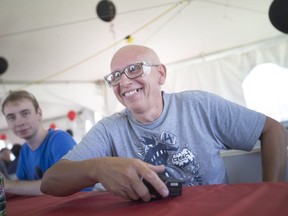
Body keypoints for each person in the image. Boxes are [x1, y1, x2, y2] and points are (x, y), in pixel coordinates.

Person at [41, 45, 287, 202]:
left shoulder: (200, 105)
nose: (124, 82)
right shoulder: (109, 129)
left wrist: (269, 192)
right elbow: (50, 182)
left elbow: (271, 129)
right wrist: (97, 167)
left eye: (134, 69)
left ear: (160, 74)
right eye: (115, 76)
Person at [1, 90, 77, 196]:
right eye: (11, 117)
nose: (19, 123)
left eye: (25, 113)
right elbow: (21, 186)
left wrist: (7, 185)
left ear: (39, 114)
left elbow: (68, 183)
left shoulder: (59, 139)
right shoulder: (25, 150)